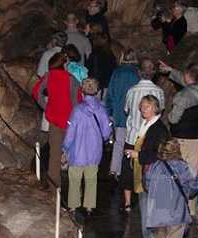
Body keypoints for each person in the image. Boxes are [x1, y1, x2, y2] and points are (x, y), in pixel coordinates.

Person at [142, 138, 198, 238]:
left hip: (156, 213)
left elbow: (146, 184)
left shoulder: (154, 167)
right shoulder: (183, 167)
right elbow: (192, 187)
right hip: (176, 213)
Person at [31, 52, 82, 189]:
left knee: (54, 155)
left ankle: (54, 188)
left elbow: (36, 92)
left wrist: (46, 107)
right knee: (73, 155)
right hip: (70, 122)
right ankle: (74, 190)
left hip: (54, 120)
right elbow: (77, 101)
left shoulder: (49, 76)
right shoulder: (71, 79)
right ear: (64, 64)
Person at [62, 78, 111, 215]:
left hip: (77, 152)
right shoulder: (101, 109)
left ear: (82, 91)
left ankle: (73, 205)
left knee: (75, 179)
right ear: (97, 91)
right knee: (91, 180)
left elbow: (70, 133)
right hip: (94, 152)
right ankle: (89, 206)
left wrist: (65, 148)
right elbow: (107, 132)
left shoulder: (77, 110)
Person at [121, 60, 165, 212]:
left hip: (134, 135)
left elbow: (126, 109)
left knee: (128, 171)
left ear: (139, 72)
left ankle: (127, 202)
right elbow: (162, 109)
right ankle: (145, 202)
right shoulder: (159, 91)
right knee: (144, 171)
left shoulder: (132, 91)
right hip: (145, 138)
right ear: (153, 73)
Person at [123, 95, 162, 238]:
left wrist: (137, 155)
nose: (142, 109)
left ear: (155, 107)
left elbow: (158, 154)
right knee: (146, 211)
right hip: (143, 173)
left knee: (149, 212)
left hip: (152, 175)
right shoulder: (147, 124)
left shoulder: (158, 129)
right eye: (141, 107)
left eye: (146, 106)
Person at [160, 62, 198, 181]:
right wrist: (171, 70)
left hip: (182, 141)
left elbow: (173, 119)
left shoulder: (182, 96)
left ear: (187, 74)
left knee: (177, 176)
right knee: (191, 176)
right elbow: (190, 85)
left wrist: (169, 114)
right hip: (197, 139)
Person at [105, 49, 139, 179]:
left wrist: (109, 111)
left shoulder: (117, 72)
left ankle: (115, 169)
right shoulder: (137, 73)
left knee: (119, 142)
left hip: (119, 113)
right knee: (133, 143)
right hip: (134, 114)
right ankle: (131, 170)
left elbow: (110, 93)